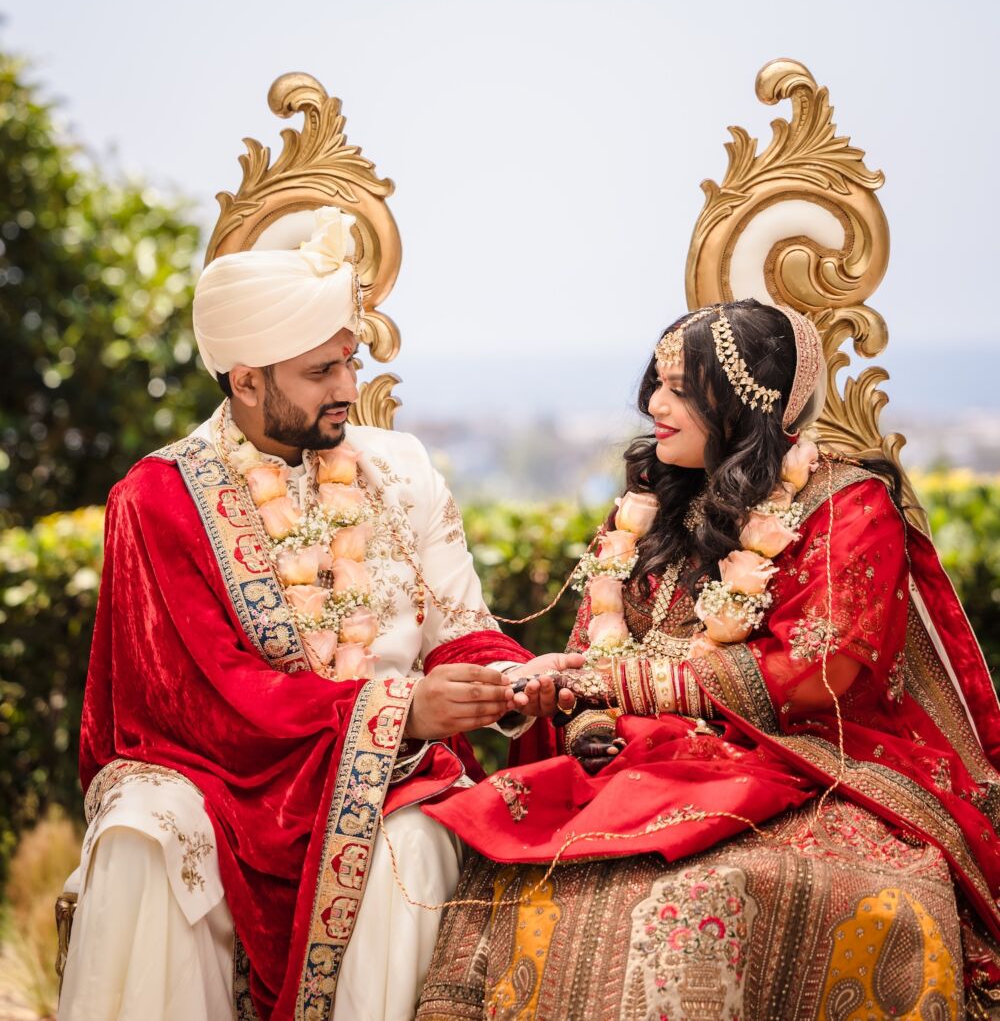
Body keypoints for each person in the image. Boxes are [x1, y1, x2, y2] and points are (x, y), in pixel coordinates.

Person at [59, 206, 579, 1021]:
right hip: (226, 782)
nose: (347, 389)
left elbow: (460, 625)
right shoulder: (158, 499)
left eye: (350, 360)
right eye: (319, 372)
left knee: (407, 852)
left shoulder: (399, 468)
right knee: (144, 835)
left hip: (392, 782)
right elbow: (210, 694)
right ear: (246, 379)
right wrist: (402, 710)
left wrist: (509, 679)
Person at [418, 298, 1000, 1020]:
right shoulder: (649, 505)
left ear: (745, 402)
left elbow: (822, 669)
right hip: (638, 765)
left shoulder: (845, 504)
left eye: (681, 390)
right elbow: (589, 650)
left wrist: (617, 680)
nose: (656, 405)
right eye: (655, 387)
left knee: (696, 900)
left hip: (809, 763)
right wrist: (570, 703)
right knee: (505, 857)